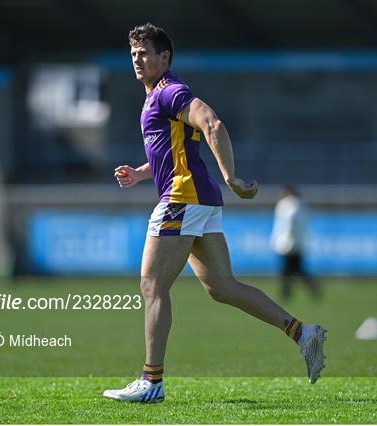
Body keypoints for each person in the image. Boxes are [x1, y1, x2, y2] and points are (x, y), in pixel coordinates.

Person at [103, 23, 326, 403]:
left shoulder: (169, 91)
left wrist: (232, 177)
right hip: (199, 200)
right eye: (134, 54)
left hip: (183, 198)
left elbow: (212, 123)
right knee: (222, 288)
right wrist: (142, 173)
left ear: (164, 58)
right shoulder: (157, 96)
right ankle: (303, 334)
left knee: (152, 286)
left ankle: (151, 380)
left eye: (145, 53)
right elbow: (175, 148)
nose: (137, 60)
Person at [270, 185, 321, 300]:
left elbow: (290, 220)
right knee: (296, 269)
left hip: (288, 242)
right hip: (297, 241)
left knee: (288, 270)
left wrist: (287, 238)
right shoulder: (300, 204)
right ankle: (309, 288)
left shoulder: (288, 204)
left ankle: (286, 292)